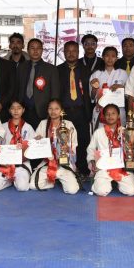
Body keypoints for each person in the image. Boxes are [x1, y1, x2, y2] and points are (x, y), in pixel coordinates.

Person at [30, 99, 80, 194]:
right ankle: (51, 181)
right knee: (33, 185)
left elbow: (74, 145)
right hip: (47, 163)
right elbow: (36, 147)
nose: (53, 111)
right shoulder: (43, 123)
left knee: (72, 190)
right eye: (50, 108)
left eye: (56, 109)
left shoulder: (68, 124)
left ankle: (59, 177)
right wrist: (37, 141)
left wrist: (67, 148)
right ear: (47, 110)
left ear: (61, 110)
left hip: (64, 163)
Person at [57, 41, 92, 175]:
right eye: (68, 51)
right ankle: (66, 169)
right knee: (65, 142)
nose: (71, 54)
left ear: (78, 52)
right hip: (64, 113)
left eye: (74, 51)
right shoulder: (57, 70)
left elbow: (89, 92)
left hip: (81, 111)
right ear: (64, 52)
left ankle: (82, 169)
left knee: (83, 141)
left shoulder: (86, 70)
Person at [87, 104, 134, 196]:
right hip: (104, 168)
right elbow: (91, 149)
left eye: (113, 113)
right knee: (101, 191)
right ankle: (105, 183)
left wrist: (129, 151)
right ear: (104, 116)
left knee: (131, 191)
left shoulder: (126, 132)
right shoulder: (98, 132)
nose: (110, 116)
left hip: (122, 168)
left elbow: (132, 150)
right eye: (107, 114)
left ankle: (119, 183)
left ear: (118, 116)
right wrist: (92, 161)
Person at [0, 99, 35, 192]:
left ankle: (16, 178)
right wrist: (1, 159)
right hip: (5, 164)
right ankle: (10, 181)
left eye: (19, 108)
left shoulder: (28, 127)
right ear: (9, 110)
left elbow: (32, 148)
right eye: (13, 108)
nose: (16, 111)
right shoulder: (3, 127)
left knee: (22, 187)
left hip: (22, 165)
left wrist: (35, 142)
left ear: (23, 110)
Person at [16, 38, 61, 129]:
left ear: (42, 50)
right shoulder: (21, 67)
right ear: (28, 50)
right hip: (23, 112)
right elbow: (17, 88)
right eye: (32, 48)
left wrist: (52, 112)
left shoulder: (51, 69)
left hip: (42, 112)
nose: (35, 51)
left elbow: (55, 93)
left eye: (38, 48)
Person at [90, 46, 127, 130]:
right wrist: (94, 88)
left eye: (113, 56)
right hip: (101, 110)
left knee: (118, 135)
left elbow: (128, 94)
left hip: (118, 111)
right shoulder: (96, 74)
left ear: (116, 58)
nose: (110, 58)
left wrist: (121, 87)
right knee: (100, 135)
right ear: (103, 57)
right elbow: (92, 97)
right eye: (107, 55)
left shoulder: (123, 73)